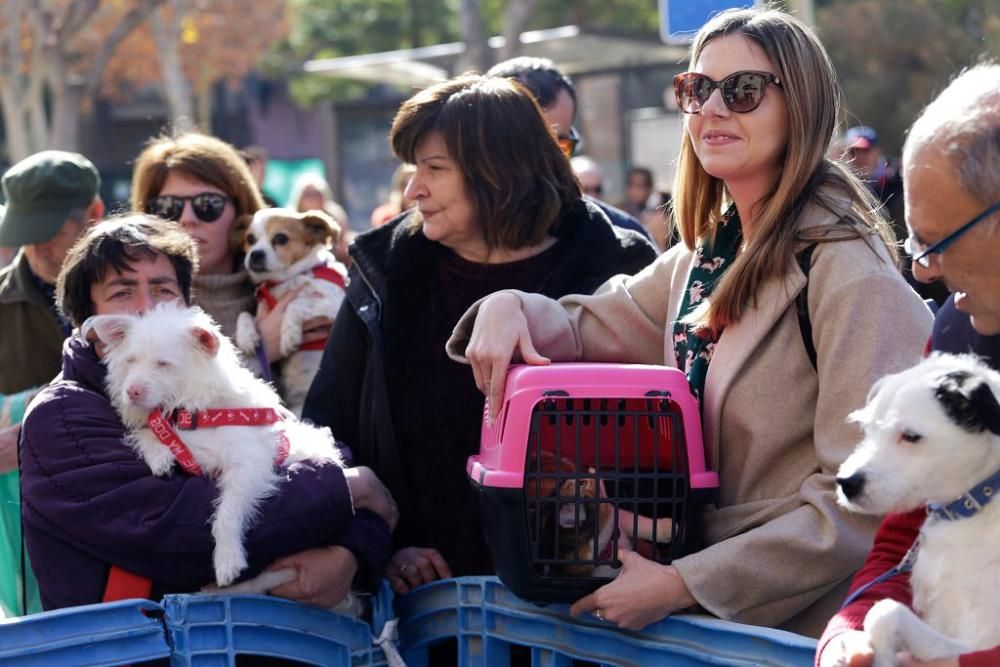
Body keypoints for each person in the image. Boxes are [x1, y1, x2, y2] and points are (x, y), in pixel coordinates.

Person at [447, 8, 933, 637]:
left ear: (803, 107)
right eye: (697, 89)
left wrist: (686, 582)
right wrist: (508, 304)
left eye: (744, 91)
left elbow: (870, 503)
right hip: (714, 625)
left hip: (805, 632)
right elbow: (591, 326)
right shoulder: (709, 252)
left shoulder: (849, 273)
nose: (714, 108)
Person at [302, 73, 657, 595]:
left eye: (435, 169)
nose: (413, 189)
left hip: (586, 607)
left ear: (498, 172)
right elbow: (325, 434)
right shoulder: (386, 272)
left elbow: (661, 442)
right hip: (424, 611)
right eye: (413, 168)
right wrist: (379, 543)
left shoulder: (618, 264)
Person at [18, 214, 394, 611]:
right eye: (122, 292)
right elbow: (177, 531)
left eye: (163, 290)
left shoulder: (210, 389)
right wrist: (347, 489)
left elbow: (310, 449)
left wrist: (351, 555)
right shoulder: (61, 418)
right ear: (89, 321)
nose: (147, 307)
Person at [817, 62, 1000, 667]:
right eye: (914, 243)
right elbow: (906, 530)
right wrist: (849, 633)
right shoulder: (955, 332)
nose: (921, 270)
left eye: (937, 241)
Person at [131, 132, 329, 376]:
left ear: (241, 212)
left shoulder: (308, 286)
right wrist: (260, 353)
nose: (187, 219)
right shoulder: (136, 307)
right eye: (168, 208)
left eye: (207, 205)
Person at [487, 56, 654, 243]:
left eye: (561, 146)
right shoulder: (453, 237)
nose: (548, 163)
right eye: (529, 146)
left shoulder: (618, 239)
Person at [288, 172, 352, 264]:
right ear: (299, 198)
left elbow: (344, 244)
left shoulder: (336, 217)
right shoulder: (291, 221)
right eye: (308, 194)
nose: (313, 198)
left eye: (317, 193)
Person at [370, 163, 416, 228]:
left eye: (415, 185)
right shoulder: (386, 217)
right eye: (405, 185)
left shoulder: (428, 217)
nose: (411, 191)